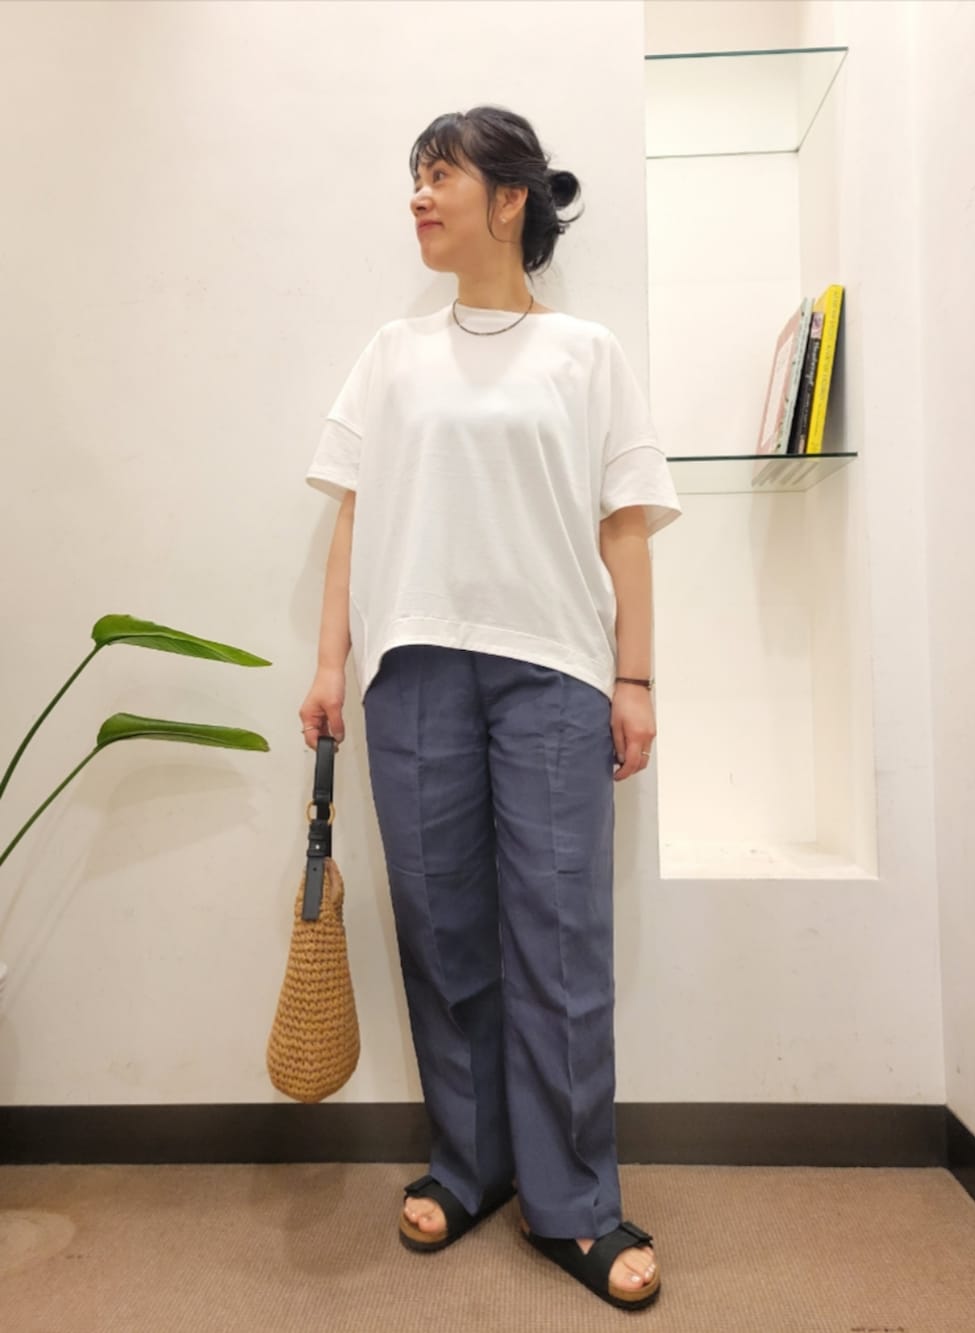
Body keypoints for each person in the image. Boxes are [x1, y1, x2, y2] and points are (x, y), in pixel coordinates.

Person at [299, 106, 681, 1313]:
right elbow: (352, 515)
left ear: (510, 199)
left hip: (553, 672)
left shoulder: (586, 354)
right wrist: (329, 663)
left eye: (441, 176)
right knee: (443, 929)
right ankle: (471, 1164)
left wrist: (634, 677)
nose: (419, 196)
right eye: (414, 177)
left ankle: (575, 1203)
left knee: (560, 937)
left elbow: (625, 528)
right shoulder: (391, 355)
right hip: (412, 664)